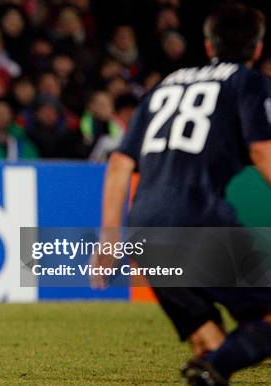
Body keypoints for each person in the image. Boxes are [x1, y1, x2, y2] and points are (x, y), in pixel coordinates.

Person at [94, 4, 271, 385]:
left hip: (143, 229)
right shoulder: (248, 82)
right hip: (199, 220)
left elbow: (120, 163)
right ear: (257, 49)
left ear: (209, 45)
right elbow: (262, 152)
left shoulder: (166, 85)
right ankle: (217, 368)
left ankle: (212, 366)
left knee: (208, 338)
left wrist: (110, 237)